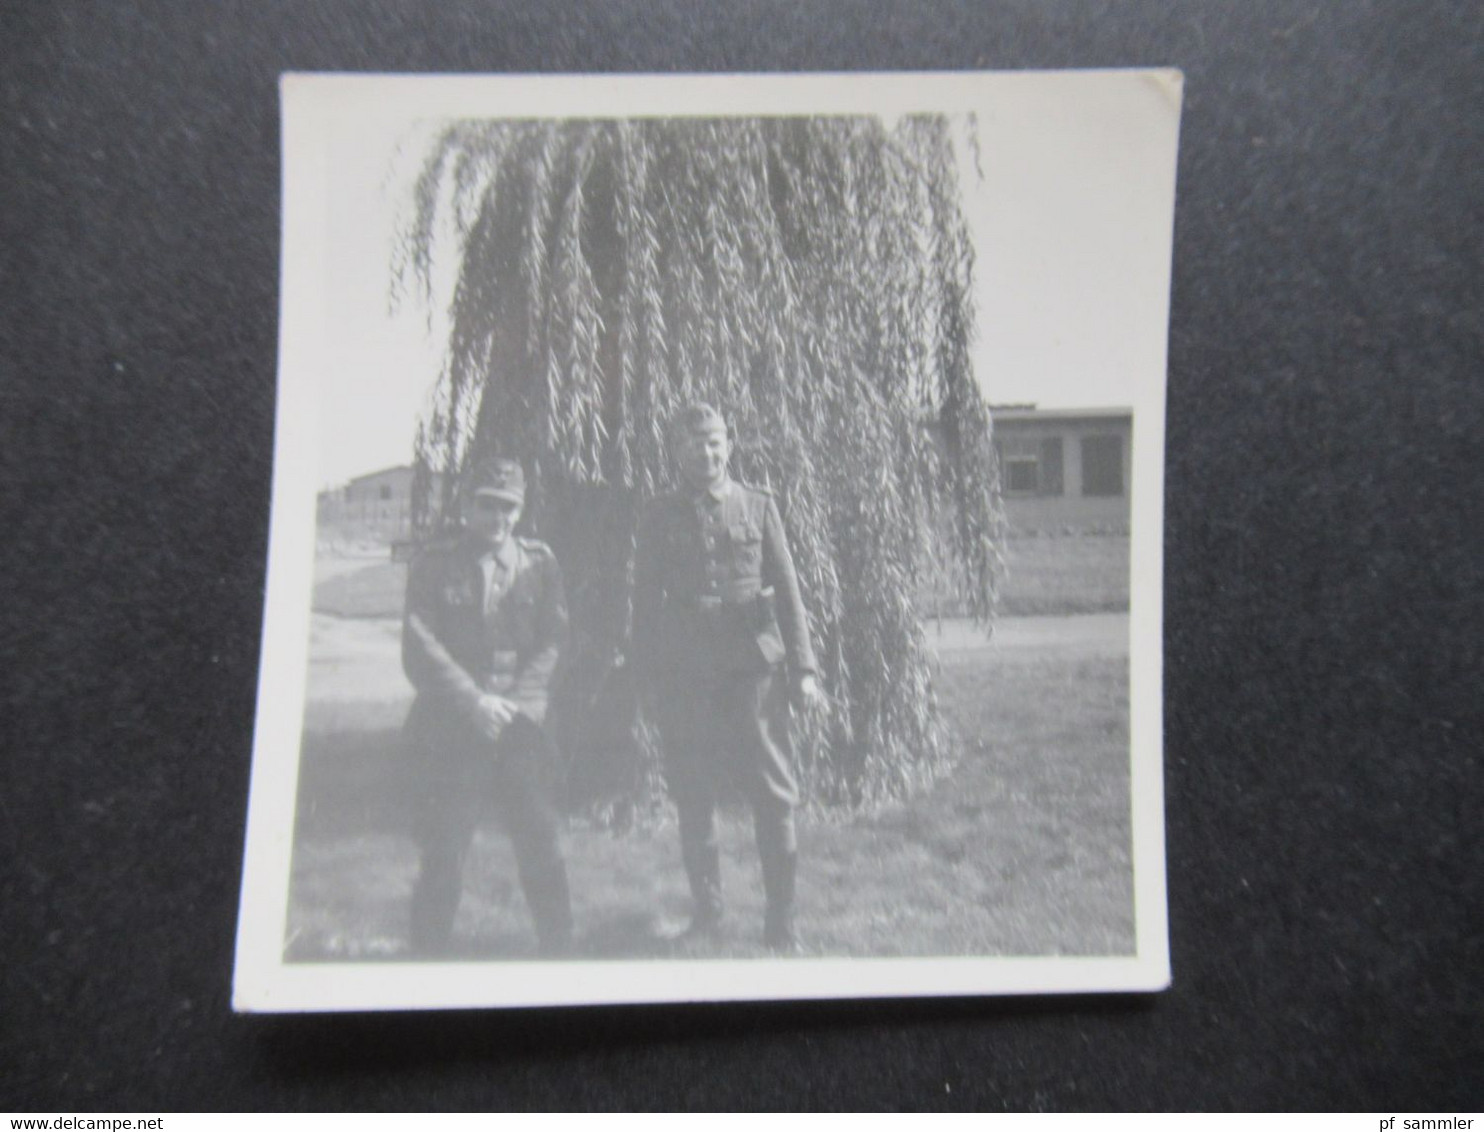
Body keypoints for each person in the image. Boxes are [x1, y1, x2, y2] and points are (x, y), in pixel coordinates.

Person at [630, 403, 825, 952]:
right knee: (693, 790)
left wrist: (804, 668)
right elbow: (643, 603)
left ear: (728, 446)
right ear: (676, 451)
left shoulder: (759, 506)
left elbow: (788, 593)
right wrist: (644, 678)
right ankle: (708, 914)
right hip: (686, 670)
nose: (706, 453)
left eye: (715, 442)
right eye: (694, 444)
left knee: (773, 791)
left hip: (752, 669)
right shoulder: (658, 514)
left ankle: (782, 923)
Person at [401, 456, 573, 957]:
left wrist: (516, 705)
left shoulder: (540, 563)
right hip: (454, 726)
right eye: (487, 506)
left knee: (541, 842)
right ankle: (426, 961)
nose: (498, 518)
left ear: (519, 511)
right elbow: (419, 642)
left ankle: (562, 955)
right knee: (444, 849)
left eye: (508, 508)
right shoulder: (435, 564)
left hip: (522, 728)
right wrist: (474, 702)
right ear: (466, 505)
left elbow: (556, 641)